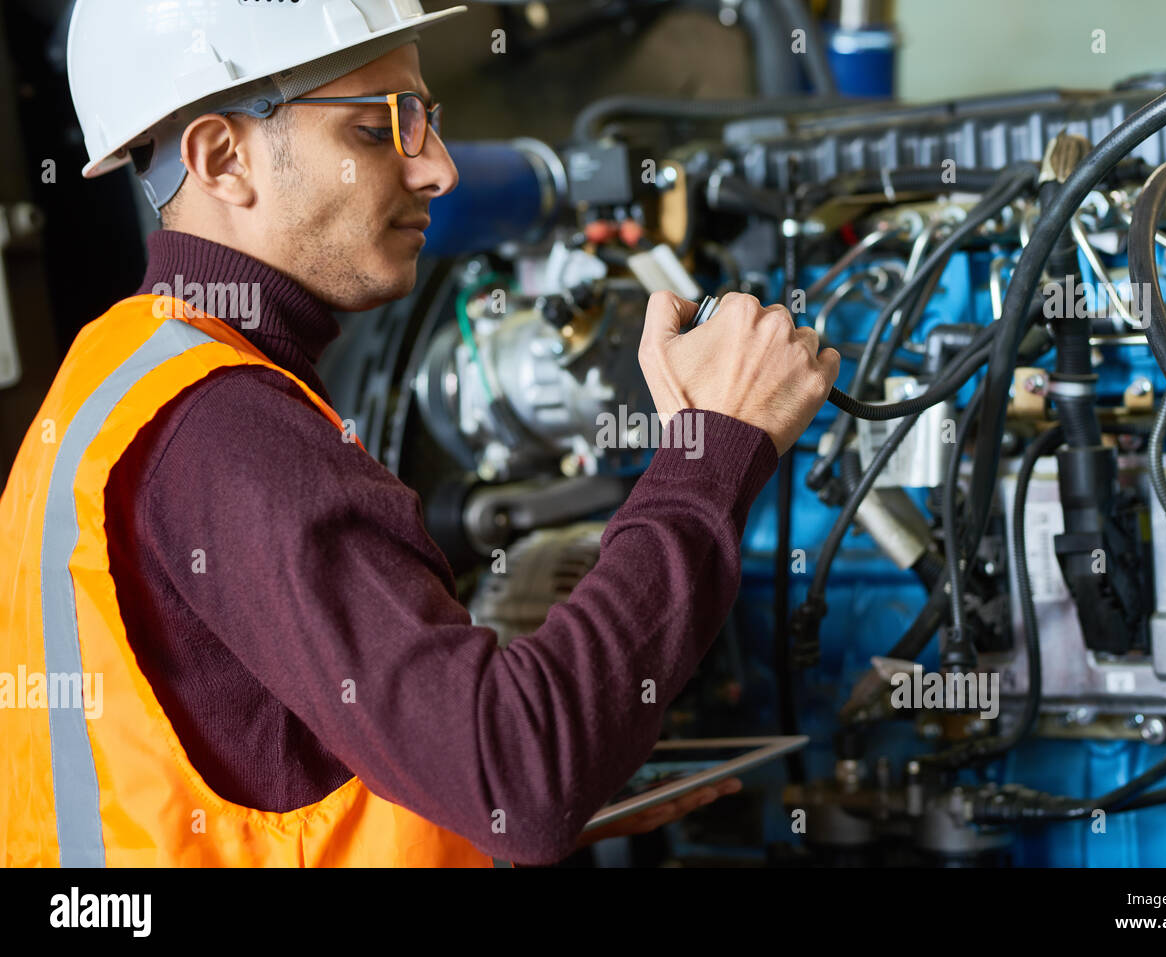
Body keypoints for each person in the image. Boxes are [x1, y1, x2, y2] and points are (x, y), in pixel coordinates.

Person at [0, 0, 838, 867]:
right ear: (222, 158)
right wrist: (710, 451)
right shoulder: (223, 430)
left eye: (425, 120)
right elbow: (520, 770)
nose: (437, 167)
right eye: (378, 130)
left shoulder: (124, 377)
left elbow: (292, 769)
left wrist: (480, 798)